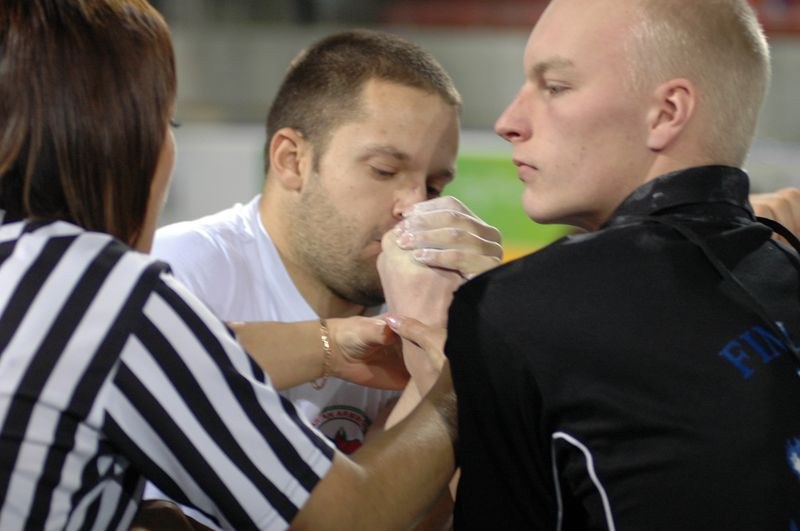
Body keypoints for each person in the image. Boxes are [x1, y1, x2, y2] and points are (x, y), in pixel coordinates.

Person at [0, 2, 462, 529]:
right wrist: (468, 367)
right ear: (119, 141)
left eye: (434, 187)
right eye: (166, 123)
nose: (415, 207)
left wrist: (330, 345)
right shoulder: (115, 293)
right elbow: (350, 516)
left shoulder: (29, 269)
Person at [380, 0, 800, 529]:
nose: (509, 122)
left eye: (555, 87)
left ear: (667, 113)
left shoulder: (521, 309)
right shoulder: (782, 268)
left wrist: (449, 350)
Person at [141, 29, 500, 528]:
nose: (415, 206)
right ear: (292, 160)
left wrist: (474, 327)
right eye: (384, 170)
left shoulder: (425, 297)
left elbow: (419, 516)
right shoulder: (179, 273)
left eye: (435, 186)